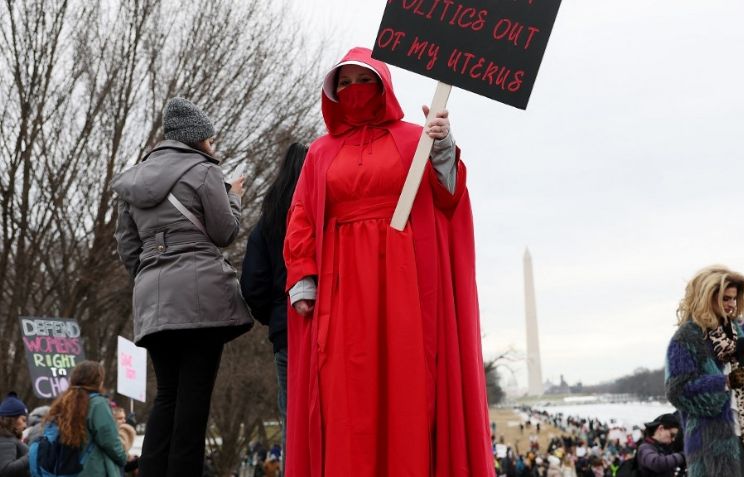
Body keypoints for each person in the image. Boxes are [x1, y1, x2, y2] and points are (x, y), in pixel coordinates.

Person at [283, 47, 493, 477]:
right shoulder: (319, 154)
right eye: (343, 82)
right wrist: (302, 275)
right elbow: (301, 216)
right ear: (333, 92)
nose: (353, 89)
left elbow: (448, 195)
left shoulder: (414, 137)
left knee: (409, 386)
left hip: (404, 281)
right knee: (345, 390)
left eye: (363, 80)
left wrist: (443, 145)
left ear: (381, 85)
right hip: (341, 290)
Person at [112, 97, 253, 476]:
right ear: (198, 139)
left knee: (167, 396)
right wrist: (234, 196)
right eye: (211, 138)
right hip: (200, 299)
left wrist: (152, 277)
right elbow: (225, 232)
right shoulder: (204, 171)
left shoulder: (132, 181)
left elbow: (128, 248)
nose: (213, 144)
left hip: (152, 302)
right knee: (193, 398)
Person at [666, 265, 744, 477]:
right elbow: (678, 390)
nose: (731, 305)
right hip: (716, 439)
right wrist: (724, 382)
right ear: (707, 298)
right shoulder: (687, 338)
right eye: (725, 299)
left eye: (733, 299)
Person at [240, 142, 308, 470]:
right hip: (329, 323)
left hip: (285, 330)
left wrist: (274, 316)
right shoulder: (324, 213)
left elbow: (251, 284)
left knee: (292, 420)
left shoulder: (266, 225)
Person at [44, 361, 126, 477]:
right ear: (98, 381)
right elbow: (109, 440)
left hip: (66, 469)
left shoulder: (64, 402)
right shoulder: (98, 404)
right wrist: (124, 458)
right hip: (92, 470)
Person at [0, 392, 28, 477]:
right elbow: (5, 470)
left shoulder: (7, 438)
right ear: (12, 420)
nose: (25, 425)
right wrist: (32, 455)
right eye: (23, 420)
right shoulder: (5, 439)